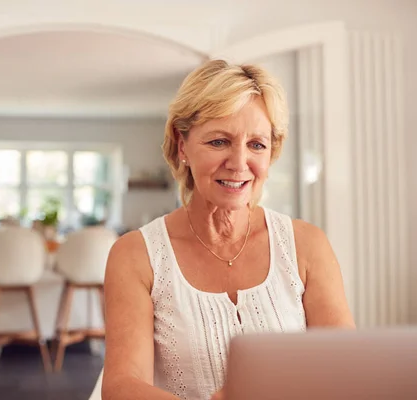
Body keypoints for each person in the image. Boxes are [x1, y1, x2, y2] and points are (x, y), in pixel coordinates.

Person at [100, 59, 356, 400]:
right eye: (219, 142)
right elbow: (121, 388)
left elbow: (346, 368)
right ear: (182, 146)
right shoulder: (136, 255)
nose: (238, 163)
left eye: (256, 144)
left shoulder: (307, 245)